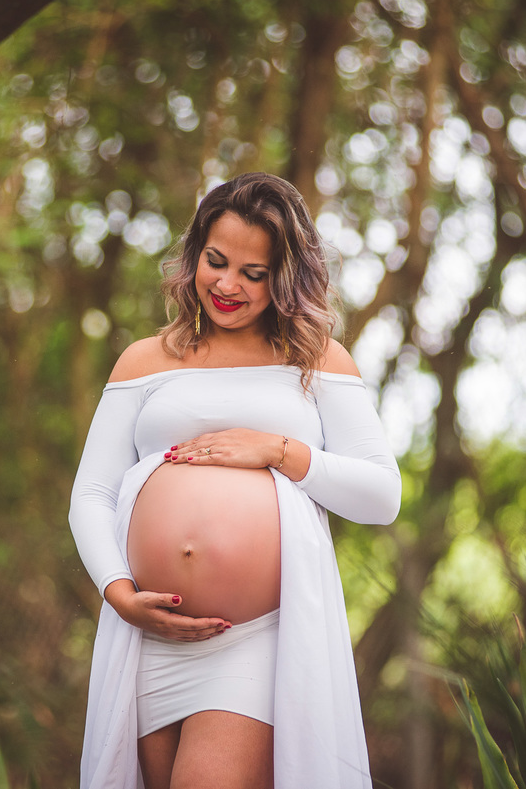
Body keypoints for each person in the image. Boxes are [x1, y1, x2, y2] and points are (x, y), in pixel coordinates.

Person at [69, 172, 401, 789]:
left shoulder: (318, 361)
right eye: (216, 262)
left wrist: (277, 450)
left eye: (255, 274)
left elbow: (381, 495)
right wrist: (118, 593)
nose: (228, 286)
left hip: (253, 643)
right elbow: (91, 494)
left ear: (286, 278)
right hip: (147, 639)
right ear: (194, 254)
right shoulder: (144, 360)